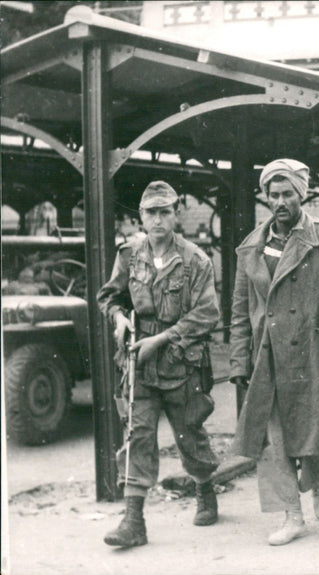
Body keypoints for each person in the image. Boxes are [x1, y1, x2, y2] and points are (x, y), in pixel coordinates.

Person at [228, 159, 319, 546]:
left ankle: (317, 477)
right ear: (265, 197)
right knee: (273, 438)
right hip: (267, 354)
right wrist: (238, 359)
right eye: (273, 194)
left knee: (310, 429)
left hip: (311, 351)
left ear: (302, 195)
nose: (280, 201)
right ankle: (291, 514)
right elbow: (238, 308)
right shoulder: (252, 244)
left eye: (288, 194)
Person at [97, 181, 221, 548]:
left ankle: (205, 489)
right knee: (137, 436)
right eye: (151, 212)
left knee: (190, 435)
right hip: (139, 362)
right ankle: (133, 520)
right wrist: (118, 317)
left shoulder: (196, 259)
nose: (158, 219)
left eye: (165, 211)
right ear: (141, 216)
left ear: (177, 214)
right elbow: (110, 296)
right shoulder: (129, 255)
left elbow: (207, 313)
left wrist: (163, 340)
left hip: (181, 361)